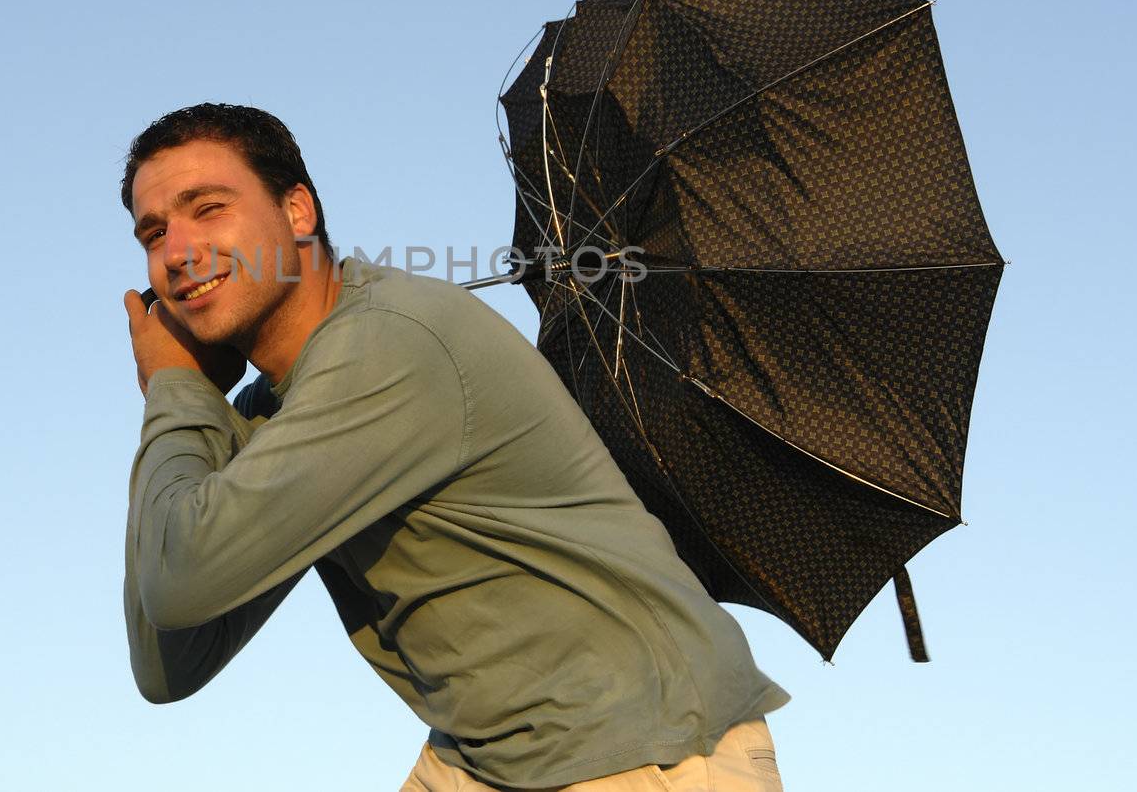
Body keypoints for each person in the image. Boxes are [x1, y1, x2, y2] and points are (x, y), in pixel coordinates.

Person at [120, 103, 790, 790]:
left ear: (297, 213)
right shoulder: (284, 405)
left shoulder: (387, 348)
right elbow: (168, 659)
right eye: (154, 231)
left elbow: (178, 583)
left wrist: (174, 385)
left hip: (639, 750)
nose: (177, 252)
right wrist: (192, 402)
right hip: (494, 755)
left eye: (208, 208)